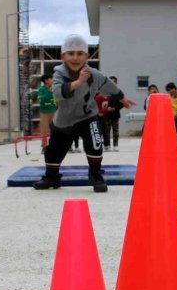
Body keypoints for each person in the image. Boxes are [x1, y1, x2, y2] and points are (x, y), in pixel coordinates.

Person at [33, 34, 135, 192]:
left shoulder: (93, 74)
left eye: (80, 54)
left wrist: (122, 98)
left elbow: (109, 85)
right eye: (71, 53)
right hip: (64, 120)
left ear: (87, 56)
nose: (75, 58)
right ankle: (51, 176)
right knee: (54, 150)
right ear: (63, 56)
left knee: (95, 142)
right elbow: (58, 93)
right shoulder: (58, 73)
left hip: (88, 116)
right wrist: (79, 81)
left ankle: (95, 174)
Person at [37, 74, 57, 154]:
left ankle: (55, 145)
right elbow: (41, 99)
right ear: (46, 80)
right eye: (51, 79)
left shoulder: (54, 88)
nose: (52, 80)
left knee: (55, 129)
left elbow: (56, 98)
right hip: (44, 112)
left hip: (54, 111)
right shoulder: (41, 89)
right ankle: (44, 146)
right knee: (44, 130)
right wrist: (49, 92)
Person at [106, 76, 121, 151]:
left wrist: (114, 108)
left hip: (115, 115)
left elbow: (121, 104)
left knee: (115, 131)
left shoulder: (118, 92)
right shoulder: (105, 92)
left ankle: (115, 145)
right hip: (106, 115)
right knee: (106, 131)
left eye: (114, 81)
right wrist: (106, 108)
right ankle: (107, 145)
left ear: (116, 83)